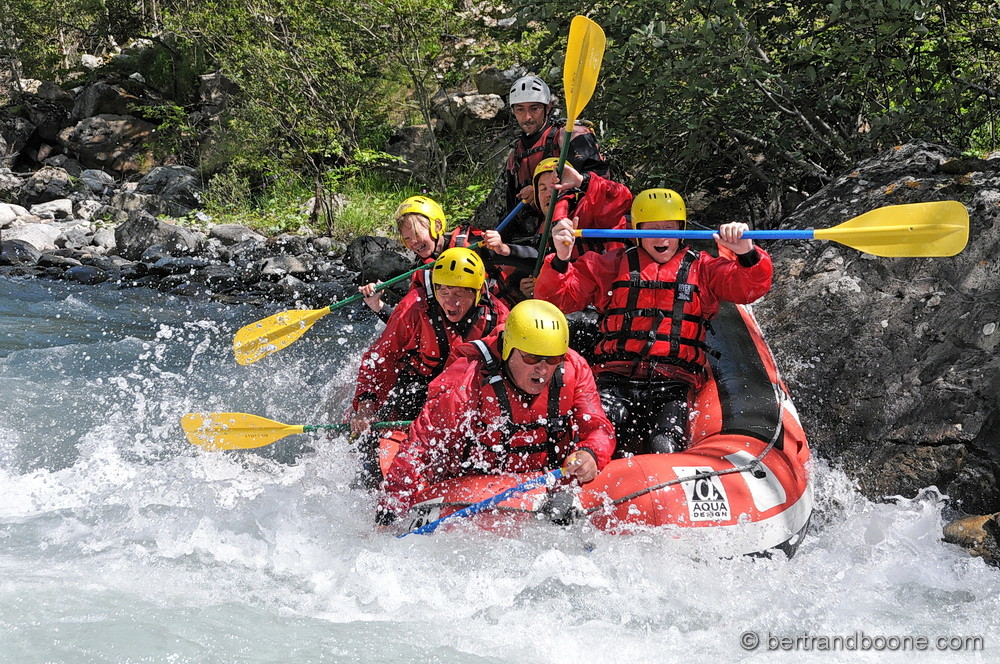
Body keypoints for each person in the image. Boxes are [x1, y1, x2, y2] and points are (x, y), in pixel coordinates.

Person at [534, 188, 773, 456]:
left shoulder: (703, 269)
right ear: (636, 231)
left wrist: (747, 253)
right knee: (593, 442)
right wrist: (561, 259)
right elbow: (558, 300)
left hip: (673, 383)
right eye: (652, 229)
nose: (662, 237)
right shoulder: (611, 264)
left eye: (669, 229)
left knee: (665, 444)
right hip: (614, 378)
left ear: (682, 230)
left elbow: (749, 288)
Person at [377, 299, 616, 523]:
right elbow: (420, 447)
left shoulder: (574, 368)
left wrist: (590, 453)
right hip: (474, 488)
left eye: (552, 359)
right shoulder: (467, 378)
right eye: (531, 357)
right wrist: (390, 511)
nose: (542, 370)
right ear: (509, 349)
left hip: (548, 479)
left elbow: (599, 428)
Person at [350, 247, 510, 487]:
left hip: (461, 400)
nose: (450, 301)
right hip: (413, 391)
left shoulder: (498, 318)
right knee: (369, 456)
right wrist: (366, 405)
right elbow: (382, 358)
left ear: (477, 293)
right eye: (443, 291)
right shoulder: (414, 307)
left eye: (458, 293)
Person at [482, 158, 632, 295]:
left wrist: (581, 181)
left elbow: (622, 198)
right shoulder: (543, 227)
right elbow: (541, 261)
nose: (549, 194)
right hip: (578, 298)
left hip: (609, 292)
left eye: (554, 187)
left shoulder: (588, 208)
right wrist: (535, 286)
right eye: (543, 189)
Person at [359, 195, 521, 318]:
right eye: (407, 238)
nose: (413, 242)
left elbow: (530, 262)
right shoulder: (422, 273)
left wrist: (504, 249)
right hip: (463, 333)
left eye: (416, 234)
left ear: (437, 226)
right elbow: (406, 326)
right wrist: (378, 306)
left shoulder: (474, 245)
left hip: (499, 319)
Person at [498, 75, 608, 237]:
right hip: (535, 235)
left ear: (547, 108)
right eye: (520, 109)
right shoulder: (515, 155)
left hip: (575, 224)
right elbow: (511, 206)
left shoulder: (570, 135)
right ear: (513, 111)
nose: (527, 117)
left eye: (534, 109)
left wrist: (540, 190)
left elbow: (602, 181)